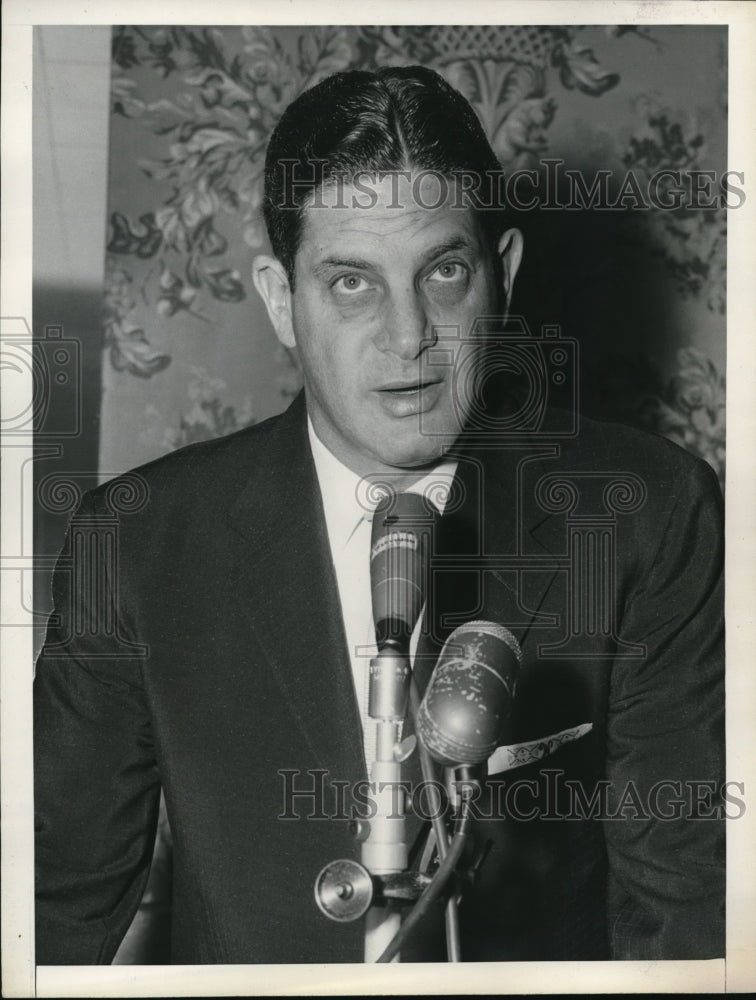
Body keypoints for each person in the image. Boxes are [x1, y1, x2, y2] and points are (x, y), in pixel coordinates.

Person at [34, 66, 725, 965]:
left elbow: (687, 918)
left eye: (442, 271)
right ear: (283, 303)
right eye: (352, 283)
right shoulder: (130, 542)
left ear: (501, 275)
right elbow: (45, 910)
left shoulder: (650, 513)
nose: (409, 337)